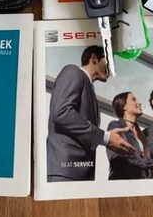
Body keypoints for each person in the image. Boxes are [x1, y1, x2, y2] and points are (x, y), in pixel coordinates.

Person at [47, 45, 135, 182]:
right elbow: (62, 112)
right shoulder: (73, 71)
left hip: (82, 175)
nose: (112, 69)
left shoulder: (90, 91)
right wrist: (106, 138)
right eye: (109, 62)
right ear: (94, 58)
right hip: (65, 171)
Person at [106, 92, 153, 179]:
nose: (139, 102)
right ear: (124, 106)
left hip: (143, 183)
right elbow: (122, 158)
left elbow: (147, 161)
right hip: (123, 182)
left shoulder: (142, 136)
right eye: (134, 99)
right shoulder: (115, 126)